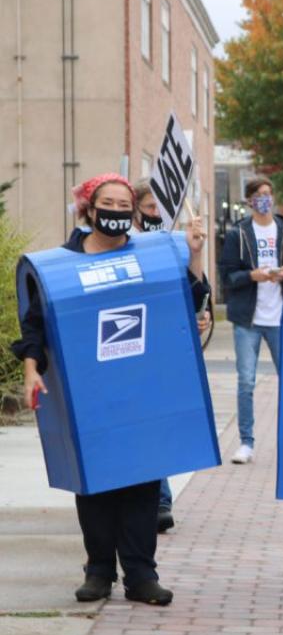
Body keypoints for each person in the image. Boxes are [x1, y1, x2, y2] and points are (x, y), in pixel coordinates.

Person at [12, 173, 210, 606]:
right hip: (90, 398)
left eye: (125, 205)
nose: (118, 212)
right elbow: (34, 325)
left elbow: (189, 299)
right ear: (88, 208)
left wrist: (195, 255)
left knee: (142, 483)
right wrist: (32, 369)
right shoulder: (57, 268)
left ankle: (141, 576)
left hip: (142, 394)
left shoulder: (152, 258)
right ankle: (99, 570)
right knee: (96, 486)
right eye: (109, 203)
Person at [217, 177, 283, 465]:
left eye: (269, 194)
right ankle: (246, 442)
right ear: (249, 201)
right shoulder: (237, 234)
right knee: (246, 380)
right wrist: (251, 276)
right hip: (247, 318)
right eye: (259, 195)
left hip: (280, 317)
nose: (265, 199)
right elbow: (227, 276)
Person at [133, 178, 178, 533]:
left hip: (160, 351)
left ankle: (160, 500)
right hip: (129, 348)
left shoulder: (170, 246)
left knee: (154, 424)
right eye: (150, 208)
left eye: (161, 209)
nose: (155, 215)